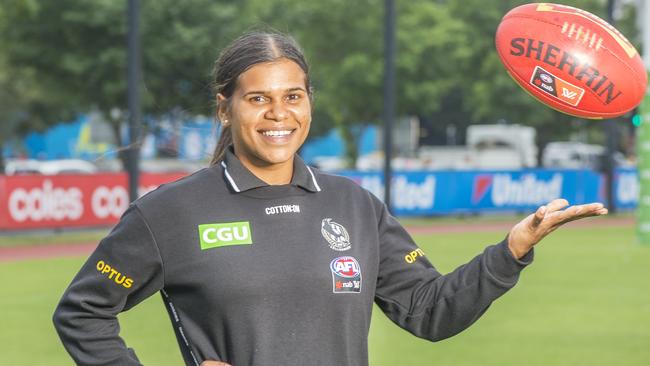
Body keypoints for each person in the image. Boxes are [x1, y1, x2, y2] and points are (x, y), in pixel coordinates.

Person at [53, 31, 608, 366]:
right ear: (225, 108)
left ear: (309, 101)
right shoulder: (169, 212)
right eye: (258, 99)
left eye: (292, 96)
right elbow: (82, 312)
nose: (278, 114)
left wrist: (509, 251)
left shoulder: (354, 206)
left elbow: (428, 312)